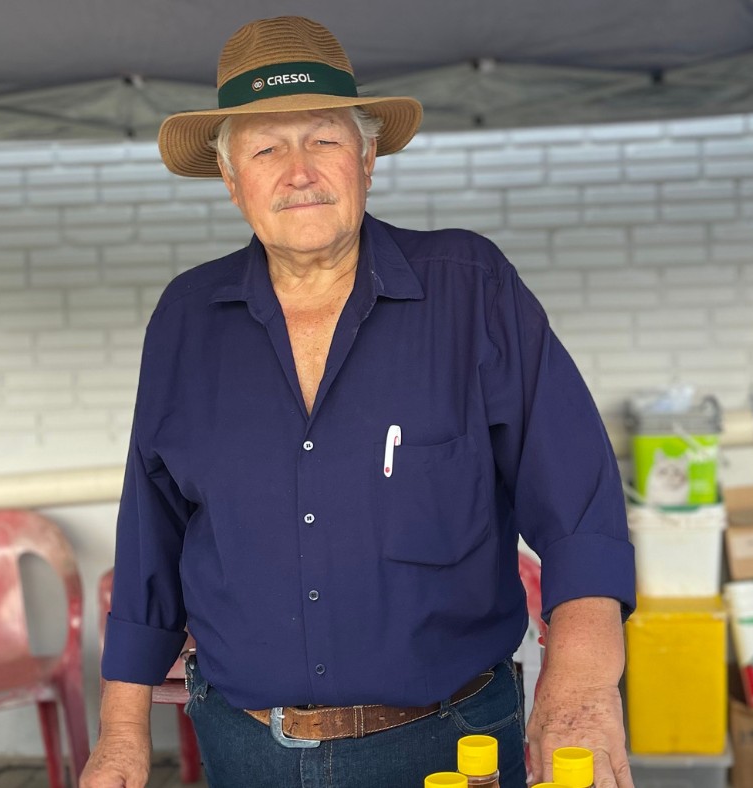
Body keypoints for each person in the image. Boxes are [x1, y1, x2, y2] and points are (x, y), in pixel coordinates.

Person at [82, 16, 635, 788]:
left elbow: (578, 501)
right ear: (233, 181)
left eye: (323, 139)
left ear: (367, 158)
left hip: (453, 744)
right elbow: (151, 531)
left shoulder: (470, 288)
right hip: (248, 750)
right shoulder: (186, 319)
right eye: (266, 150)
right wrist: (120, 730)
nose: (298, 171)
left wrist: (579, 684)